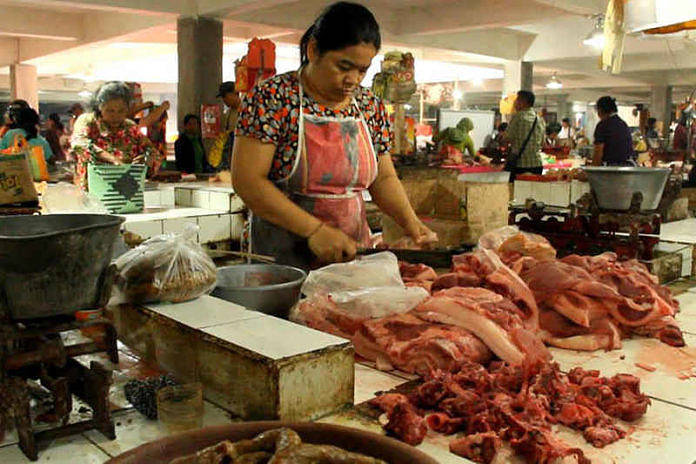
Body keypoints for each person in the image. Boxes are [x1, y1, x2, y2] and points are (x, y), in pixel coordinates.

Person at [232, 1, 437, 269]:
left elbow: (383, 178)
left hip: (351, 254)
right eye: (343, 66)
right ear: (313, 49)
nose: (353, 79)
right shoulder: (272, 98)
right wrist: (315, 230)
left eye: (362, 70)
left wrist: (412, 224)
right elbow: (248, 181)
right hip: (282, 260)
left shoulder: (368, 105)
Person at [69, 81, 155, 190]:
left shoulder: (130, 127)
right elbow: (79, 143)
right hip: (92, 191)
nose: (116, 116)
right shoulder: (88, 121)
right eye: (110, 111)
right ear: (99, 107)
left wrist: (146, 159)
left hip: (126, 191)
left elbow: (151, 151)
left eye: (121, 111)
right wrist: (111, 159)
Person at [505, 90, 545, 178]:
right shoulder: (539, 119)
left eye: (517, 100)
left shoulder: (518, 117)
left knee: (517, 190)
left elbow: (507, 137)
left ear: (523, 102)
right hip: (537, 164)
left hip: (520, 164)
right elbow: (543, 143)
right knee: (533, 191)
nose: (515, 103)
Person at [591, 96, 634, 166]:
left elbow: (598, 153)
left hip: (610, 169)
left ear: (600, 110)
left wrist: (591, 172)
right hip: (627, 166)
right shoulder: (623, 124)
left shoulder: (602, 125)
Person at [209, 81, 241, 170]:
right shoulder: (228, 113)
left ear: (234, 94)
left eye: (225, 96)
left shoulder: (246, 111)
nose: (224, 100)